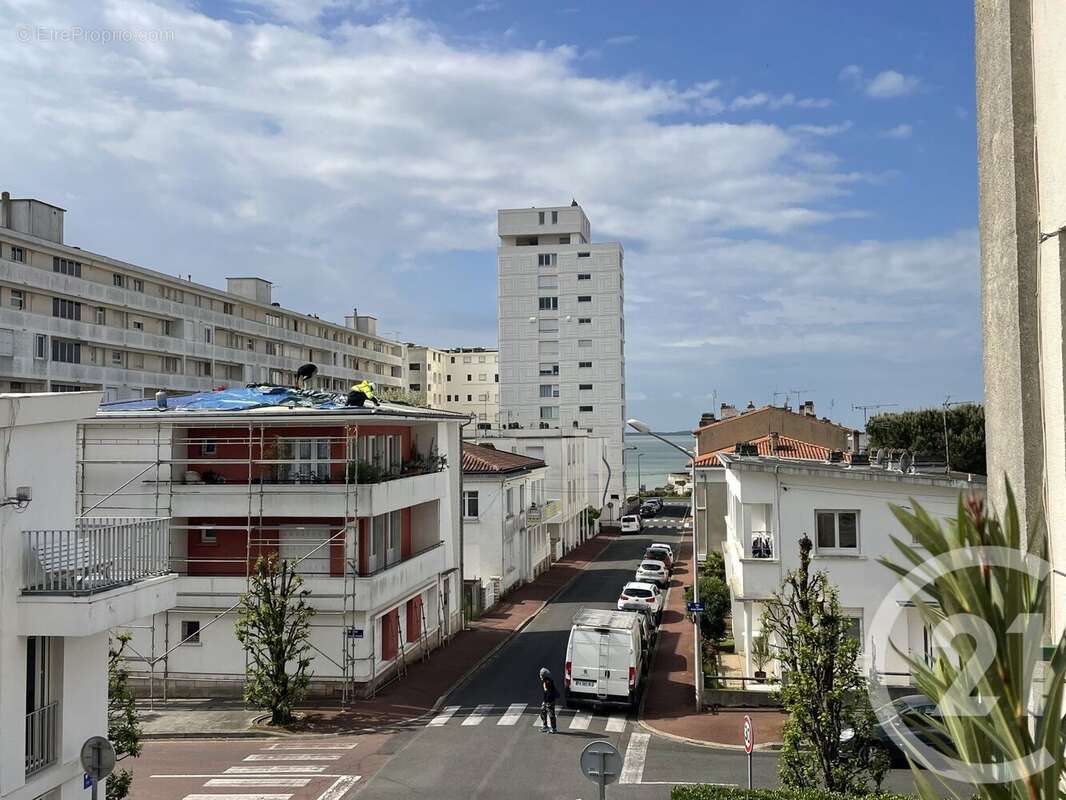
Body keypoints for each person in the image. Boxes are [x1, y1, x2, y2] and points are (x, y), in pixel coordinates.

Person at [539, 667, 558, 733]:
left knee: (551, 714)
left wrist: (548, 701)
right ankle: (545, 726)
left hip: (550, 701)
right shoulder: (545, 681)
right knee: (542, 711)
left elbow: (550, 692)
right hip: (546, 701)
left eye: (541, 675)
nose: (540, 676)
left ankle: (554, 728)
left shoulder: (548, 682)